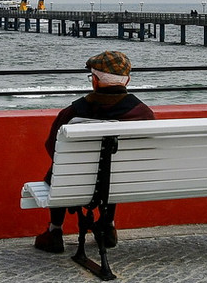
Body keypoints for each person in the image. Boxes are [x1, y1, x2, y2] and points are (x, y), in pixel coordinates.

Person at [34, 50, 154, 254]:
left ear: (96, 81)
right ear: (127, 81)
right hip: (124, 181)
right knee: (114, 170)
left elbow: (51, 147)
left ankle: (55, 231)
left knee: (60, 170)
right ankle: (108, 227)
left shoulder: (73, 112)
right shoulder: (143, 113)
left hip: (73, 182)